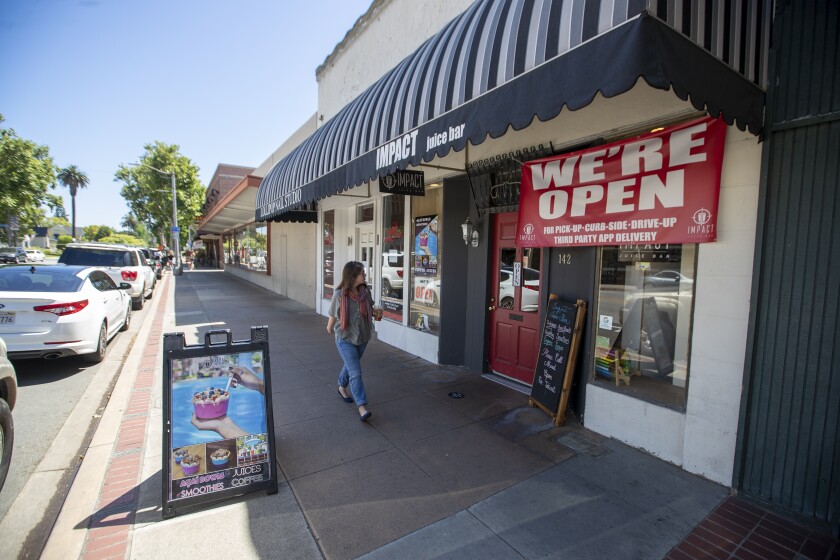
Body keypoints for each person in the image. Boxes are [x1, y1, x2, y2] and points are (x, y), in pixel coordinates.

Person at [327, 261, 378, 422]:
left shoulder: (364, 291)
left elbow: (371, 309)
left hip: (362, 337)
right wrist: (331, 330)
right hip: (345, 338)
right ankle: (362, 407)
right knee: (355, 372)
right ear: (353, 276)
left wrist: (377, 313)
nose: (364, 274)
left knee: (350, 366)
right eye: (361, 272)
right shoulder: (339, 295)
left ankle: (341, 386)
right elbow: (332, 318)